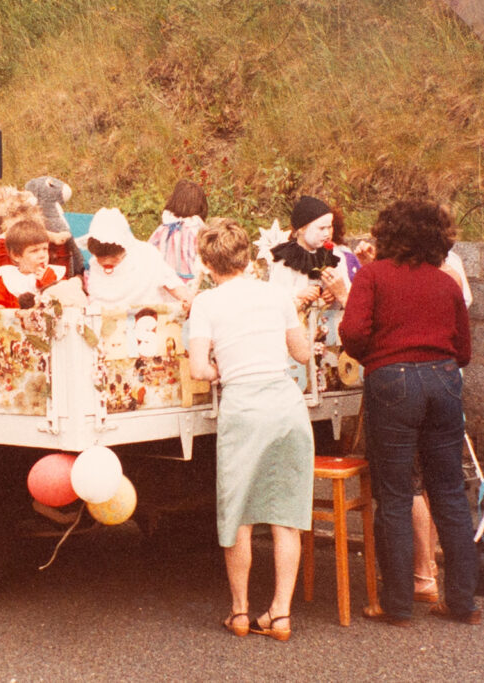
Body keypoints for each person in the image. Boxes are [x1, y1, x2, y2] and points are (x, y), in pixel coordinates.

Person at [340, 199, 480, 626]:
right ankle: (462, 604)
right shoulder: (446, 282)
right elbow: (464, 351)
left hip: (392, 382)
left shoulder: (373, 277)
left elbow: (352, 332)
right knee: (451, 494)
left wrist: (375, 359)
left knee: (396, 495)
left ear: (387, 232)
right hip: (443, 380)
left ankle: (397, 604)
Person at [187, 218, 313, 642]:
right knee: (285, 515)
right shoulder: (276, 295)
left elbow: (199, 368)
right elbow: (300, 351)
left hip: (243, 406)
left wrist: (219, 368)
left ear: (208, 263)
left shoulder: (205, 303)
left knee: (238, 513)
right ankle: (280, 614)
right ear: (247, 257)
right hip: (285, 403)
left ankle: (240, 611)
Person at [84, 207, 191, 310]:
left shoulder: (147, 255)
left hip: (145, 317)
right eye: (100, 258)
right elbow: (95, 297)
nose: (107, 263)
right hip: (106, 320)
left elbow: (170, 281)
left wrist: (184, 297)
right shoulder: (94, 264)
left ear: (124, 247)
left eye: (114, 258)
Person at [268, 196, 350, 307]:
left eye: (329, 227)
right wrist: (297, 295)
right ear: (301, 229)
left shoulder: (335, 256)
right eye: (321, 228)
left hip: (328, 320)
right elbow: (274, 298)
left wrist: (333, 293)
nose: (327, 234)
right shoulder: (286, 260)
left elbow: (346, 289)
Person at [0, 219, 66, 309]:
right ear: (16, 255)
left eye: (45, 249)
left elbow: (64, 302)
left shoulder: (55, 274)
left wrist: (50, 284)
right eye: (34, 251)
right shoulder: (7, 278)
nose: (42, 255)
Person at [147, 179, 208, 287]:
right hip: (189, 284)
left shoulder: (163, 229)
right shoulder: (197, 231)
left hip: (163, 284)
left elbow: (148, 252)